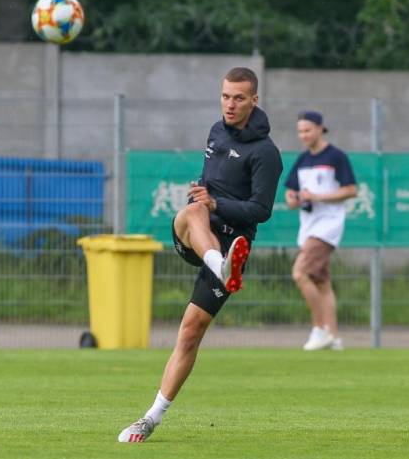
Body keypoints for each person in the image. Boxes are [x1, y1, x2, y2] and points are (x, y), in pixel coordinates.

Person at [118, 67, 282, 443]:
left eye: (239, 98)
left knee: (190, 332)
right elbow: (208, 192)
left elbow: (261, 211)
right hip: (196, 235)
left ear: (254, 100)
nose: (230, 104)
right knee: (193, 211)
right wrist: (204, 195)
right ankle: (218, 266)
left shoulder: (266, 154)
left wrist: (217, 202)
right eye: (225, 96)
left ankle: (149, 419)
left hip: (233, 245)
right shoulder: (215, 132)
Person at [284, 111, 357, 351]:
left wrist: (318, 196)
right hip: (308, 225)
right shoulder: (302, 159)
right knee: (322, 283)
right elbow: (290, 192)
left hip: (328, 225)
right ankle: (333, 337)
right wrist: (293, 199)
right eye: (300, 131)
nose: (303, 135)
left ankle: (319, 329)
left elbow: (351, 190)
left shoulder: (336, 156)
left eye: (307, 130)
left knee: (300, 273)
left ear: (320, 128)